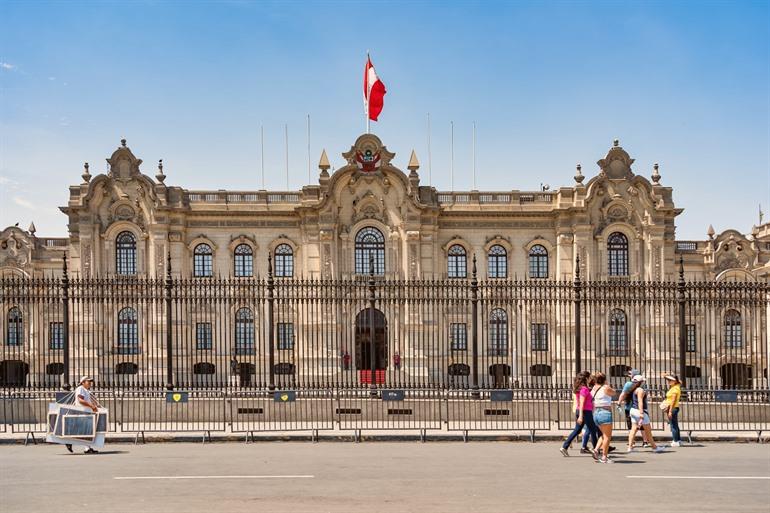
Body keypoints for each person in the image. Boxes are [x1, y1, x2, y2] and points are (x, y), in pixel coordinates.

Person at [560, 371, 598, 457]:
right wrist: (581, 416)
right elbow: (581, 403)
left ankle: (565, 446)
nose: (590, 379)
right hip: (585, 412)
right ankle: (596, 450)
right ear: (586, 378)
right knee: (592, 430)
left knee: (577, 430)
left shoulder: (580, 388)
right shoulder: (584, 389)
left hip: (582, 411)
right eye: (589, 377)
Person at [627, 375, 664, 453]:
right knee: (648, 431)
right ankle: (654, 447)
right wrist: (641, 413)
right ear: (641, 382)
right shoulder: (640, 390)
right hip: (639, 410)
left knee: (633, 429)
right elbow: (640, 401)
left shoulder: (633, 389)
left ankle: (630, 447)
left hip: (633, 410)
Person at [65, 376, 101, 454]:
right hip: (81, 412)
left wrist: (95, 405)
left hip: (86, 412)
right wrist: (91, 406)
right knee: (84, 430)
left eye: (90, 382)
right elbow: (80, 400)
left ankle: (87, 448)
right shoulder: (80, 389)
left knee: (86, 431)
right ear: (83, 382)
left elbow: (88, 400)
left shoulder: (86, 390)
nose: (90, 383)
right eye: (88, 381)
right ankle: (69, 441)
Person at [618, 368, 648, 449]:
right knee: (643, 425)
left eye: (630, 373)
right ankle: (645, 441)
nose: (629, 374)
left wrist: (619, 403)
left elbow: (623, 394)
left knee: (631, 425)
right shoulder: (643, 385)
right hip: (640, 408)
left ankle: (632, 442)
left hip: (629, 407)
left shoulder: (628, 384)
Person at [591, 372, 616, 463]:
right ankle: (604, 457)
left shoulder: (593, 388)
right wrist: (607, 384)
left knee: (603, 434)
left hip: (596, 413)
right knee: (607, 437)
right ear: (604, 379)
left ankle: (596, 450)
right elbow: (614, 393)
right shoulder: (606, 388)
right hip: (605, 413)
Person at [663, 373, 683, 447]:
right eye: (668, 380)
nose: (668, 382)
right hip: (674, 408)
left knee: (673, 425)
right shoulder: (676, 386)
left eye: (670, 380)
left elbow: (673, 401)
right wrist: (667, 375)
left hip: (673, 408)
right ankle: (678, 440)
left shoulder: (675, 389)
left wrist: (670, 411)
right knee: (675, 425)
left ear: (674, 381)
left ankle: (675, 441)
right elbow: (679, 381)